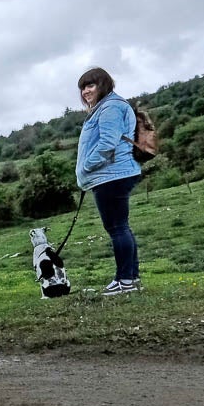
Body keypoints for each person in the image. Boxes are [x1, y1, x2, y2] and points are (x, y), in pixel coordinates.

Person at [75, 67, 143, 295]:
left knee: (116, 228)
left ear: (103, 85)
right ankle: (130, 278)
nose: (85, 91)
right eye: (83, 87)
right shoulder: (106, 107)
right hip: (113, 174)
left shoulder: (111, 107)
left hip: (111, 175)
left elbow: (107, 143)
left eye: (90, 85)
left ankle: (124, 280)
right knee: (121, 226)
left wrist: (86, 167)